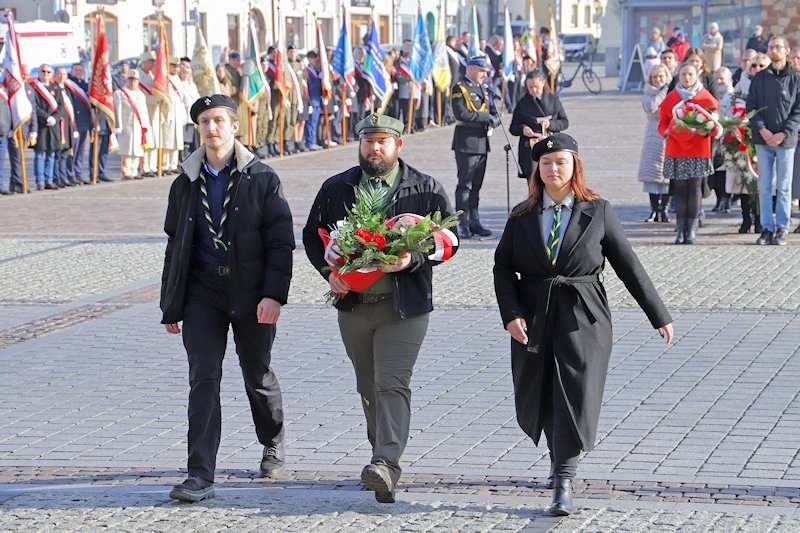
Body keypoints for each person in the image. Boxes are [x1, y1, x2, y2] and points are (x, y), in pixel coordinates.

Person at [493, 132, 673, 517]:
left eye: (560, 161)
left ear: (575, 165)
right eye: (545, 163)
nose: (553, 169)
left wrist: (658, 314)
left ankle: (564, 480)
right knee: (541, 392)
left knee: (574, 394)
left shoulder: (598, 210)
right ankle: (558, 462)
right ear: (537, 170)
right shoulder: (521, 216)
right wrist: (511, 314)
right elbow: (503, 268)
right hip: (534, 315)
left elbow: (629, 267)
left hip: (584, 316)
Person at [302, 113, 457, 504]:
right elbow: (311, 235)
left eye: (382, 141)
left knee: (392, 382)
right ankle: (380, 457)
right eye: (368, 141)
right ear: (359, 144)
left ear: (398, 145)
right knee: (367, 386)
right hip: (353, 306)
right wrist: (329, 273)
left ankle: (386, 462)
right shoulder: (337, 188)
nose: (374, 148)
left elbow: (446, 242)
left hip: (404, 307)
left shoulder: (424, 188)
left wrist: (411, 261)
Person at [161, 94, 294, 503]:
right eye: (204, 121)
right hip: (203, 291)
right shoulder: (185, 182)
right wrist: (172, 305)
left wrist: (274, 295)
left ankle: (272, 439)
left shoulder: (263, 178)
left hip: (251, 292)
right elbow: (175, 245)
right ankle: (200, 473)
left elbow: (280, 243)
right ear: (198, 128)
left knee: (257, 373)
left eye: (219, 120)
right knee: (204, 377)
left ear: (235, 126)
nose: (212, 128)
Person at [746, 35, 800, 245]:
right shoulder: (759, 78)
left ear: (786, 51)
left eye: (778, 47)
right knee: (765, 187)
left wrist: (783, 133)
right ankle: (767, 228)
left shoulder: (796, 79)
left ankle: (782, 228)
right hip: (764, 140)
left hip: (785, 142)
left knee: (784, 188)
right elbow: (751, 107)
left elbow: (798, 110)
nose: (774, 50)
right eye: (771, 47)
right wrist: (763, 131)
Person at [658, 62, 719, 244]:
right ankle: (680, 230)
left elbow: (714, 124)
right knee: (679, 190)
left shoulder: (705, 97)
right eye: (684, 74)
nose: (687, 78)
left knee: (694, 189)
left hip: (698, 149)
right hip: (676, 149)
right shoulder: (671, 98)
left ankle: (691, 231)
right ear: (679, 75)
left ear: (697, 75)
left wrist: (706, 130)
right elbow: (662, 123)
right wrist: (666, 132)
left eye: (690, 74)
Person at [451, 56, 501, 239]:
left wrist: (495, 118)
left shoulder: (484, 89)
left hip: (482, 142)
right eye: (481, 71)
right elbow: (461, 113)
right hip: (466, 142)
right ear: (471, 69)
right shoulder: (460, 88)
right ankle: (462, 223)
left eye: (485, 72)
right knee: (465, 185)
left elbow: (493, 110)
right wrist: (486, 117)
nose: (484, 75)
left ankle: (474, 220)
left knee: (477, 185)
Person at [509, 69, 568, 181]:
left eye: (536, 86)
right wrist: (523, 129)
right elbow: (513, 127)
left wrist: (550, 124)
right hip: (530, 147)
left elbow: (564, 122)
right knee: (533, 183)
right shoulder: (522, 102)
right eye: (530, 87)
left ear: (543, 83)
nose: (533, 90)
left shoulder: (553, 99)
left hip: (550, 144)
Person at [637, 64, 672, 222]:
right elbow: (652, 106)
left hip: (668, 133)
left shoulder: (672, 92)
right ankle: (653, 209)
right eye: (655, 77)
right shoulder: (648, 93)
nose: (658, 80)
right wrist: (664, 90)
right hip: (653, 133)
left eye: (661, 77)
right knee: (652, 173)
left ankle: (663, 208)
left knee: (665, 174)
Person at [113, 69, 152, 179]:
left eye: (134, 80)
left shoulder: (141, 95)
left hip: (139, 127)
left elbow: (144, 113)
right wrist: (118, 126)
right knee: (127, 149)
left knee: (137, 150)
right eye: (130, 80)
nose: (132, 83)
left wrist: (146, 126)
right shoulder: (120, 93)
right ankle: (126, 171)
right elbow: (118, 111)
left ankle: (134, 171)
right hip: (127, 126)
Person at [30, 63, 61, 190]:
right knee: (39, 154)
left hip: (53, 126)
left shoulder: (56, 87)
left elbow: (60, 105)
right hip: (40, 125)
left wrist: (55, 117)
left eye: (48, 72)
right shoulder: (34, 88)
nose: (46, 74)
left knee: (51, 154)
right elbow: (34, 106)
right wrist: (46, 117)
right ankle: (40, 180)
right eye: (43, 71)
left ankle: (49, 180)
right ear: (38, 73)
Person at [711, 67, 734, 213]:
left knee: (728, 169)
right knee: (716, 170)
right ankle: (719, 198)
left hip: (729, 136)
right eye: (717, 79)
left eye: (722, 79)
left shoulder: (733, 96)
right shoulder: (712, 96)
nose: (719, 82)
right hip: (715, 137)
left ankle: (727, 198)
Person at [65, 63, 92, 185]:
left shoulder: (84, 85)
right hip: (73, 122)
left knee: (81, 150)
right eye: (76, 70)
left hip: (84, 121)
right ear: (72, 71)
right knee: (72, 150)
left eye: (80, 70)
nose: (78, 72)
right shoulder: (68, 85)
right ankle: (70, 174)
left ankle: (78, 172)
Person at [52, 67, 76, 188]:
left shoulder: (67, 90)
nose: (62, 76)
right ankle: (57, 178)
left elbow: (71, 110)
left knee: (65, 153)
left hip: (67, 125)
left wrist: (74, 127)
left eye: (64, 74)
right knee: (58, 154)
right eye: (59, 74)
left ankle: (63, 176)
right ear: (55, 75)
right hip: (57, 125)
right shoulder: (53, 88)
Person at [138, 51, 161, 177]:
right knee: (146, 138)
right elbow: (139, 96)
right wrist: (155, 100)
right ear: (145, 62)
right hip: (144, 110)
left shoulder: (152, 76)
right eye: (151, 62)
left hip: (154, 111)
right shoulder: (139, 76)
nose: (153, 64)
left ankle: (153, 165)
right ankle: (145, 167)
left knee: (155, 138)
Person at [303, 50, 323, 151]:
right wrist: (319, 79)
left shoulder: (315, 70)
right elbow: (310, 86)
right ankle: (310, 142)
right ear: (309, 59)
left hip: (317, 99)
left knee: (314, 122)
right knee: (311, 123)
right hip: (311, 100)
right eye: (313, 58)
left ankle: (312, 141)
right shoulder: (307, 71)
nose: (315, 60)